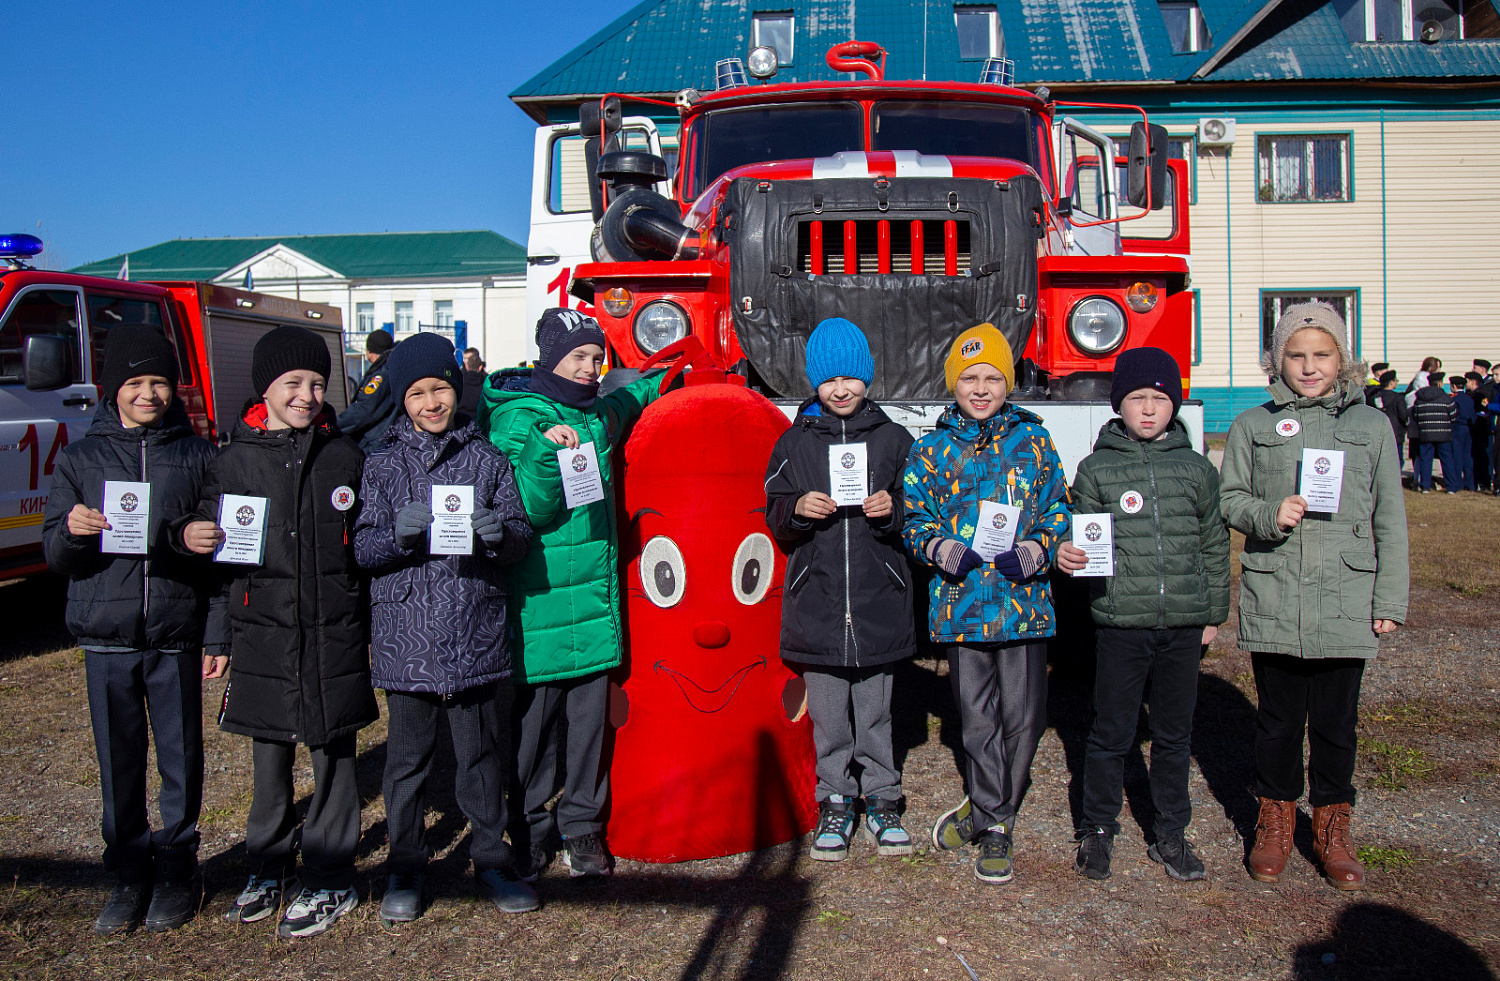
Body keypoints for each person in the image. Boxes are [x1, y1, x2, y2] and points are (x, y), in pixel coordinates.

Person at [181, 325, 377, 937]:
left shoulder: (344, 456)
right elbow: (219, 565)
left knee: (333, 749)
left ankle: (331, 872)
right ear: (265, 389)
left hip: (332, 630)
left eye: (318, 383)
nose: (307, 394)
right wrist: (217, 637)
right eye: (292, 383)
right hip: (262, 632)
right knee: (270, 755)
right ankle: (267, 862)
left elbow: (362, 547)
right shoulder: (233, 462)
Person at [1220, 302, 1408, 892]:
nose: (1308, 366)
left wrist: (1389, 600)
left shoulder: (1372, 427)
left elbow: (1389, 519)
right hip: (1278, 592)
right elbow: (1230, 499)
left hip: (1346, 598)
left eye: (1321, 354)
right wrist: (1268, 515)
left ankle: (1332, 828)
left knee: (1335, 724)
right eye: (1295, 355)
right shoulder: (1254, 424)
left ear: (1341, 359)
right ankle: (1275, 821)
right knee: (1276, 722)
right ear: (1278, 359)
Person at [41, 327, 220, 935]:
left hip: (175, 630)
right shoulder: (79, 458)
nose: (149, 393)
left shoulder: (198, 456)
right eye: (136, 382)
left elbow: (221, 554)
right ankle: (127, 871)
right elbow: (56, 555)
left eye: (160, 382)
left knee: (179, 757)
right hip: (108, 632)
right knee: (118, 760)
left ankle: (176, 867)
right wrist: (70, 531)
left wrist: (216, 631)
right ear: (112, 388)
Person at [354, 332, 538, 922]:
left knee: (481, 756)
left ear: (458, 390)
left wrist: (499, 535)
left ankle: (490, 856)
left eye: (440, 389)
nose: (431, 403)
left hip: (472, 632)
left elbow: (519, 537)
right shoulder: (381, 465)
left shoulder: (486, 459)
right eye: (417, 394)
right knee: (406, 761)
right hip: (407, 639)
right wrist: (396, 535)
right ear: (400, 400)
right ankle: (405, 865)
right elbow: (362, 548)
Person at [479, 308, 665, 880]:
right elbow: (531, 509)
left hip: (593, 607)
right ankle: (531, 827)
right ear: (549, 360)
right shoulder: (520, 420)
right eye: (577, 358)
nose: (589, 369)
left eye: (595, 358)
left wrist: (671, 373)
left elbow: (626, 403)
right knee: (535, 728)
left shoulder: (597, 414)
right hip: (539, 605)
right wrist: (545, 452)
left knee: (587, 727)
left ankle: (581, 825)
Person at [902, 324, 1071, 885]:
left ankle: (988, 810)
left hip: (1023, 603)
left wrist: (1038, 548)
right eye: (969, 378)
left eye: (992, 378)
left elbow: (1058, 510)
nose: (980, 388)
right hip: (963, 604)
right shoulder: (932, 448)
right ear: (954, 384)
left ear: (1009, 382)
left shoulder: (1035, 442)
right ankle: (996, 822)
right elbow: (913, 517)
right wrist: (938, 547)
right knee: (975, 721)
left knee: (1023, 718)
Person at [1055, 347, 1229, 884]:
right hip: (1121, 623)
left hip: (1181, 623)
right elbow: (1077, 530)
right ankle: (1097, 829)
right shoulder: (1097, 468)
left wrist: (1212, 614)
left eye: (1159, 398)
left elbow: (1214, 544)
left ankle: (1172, 832)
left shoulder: (1196, 468)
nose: (1149, 409)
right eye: (1137, 398)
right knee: (1111, 731)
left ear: (1174, 404)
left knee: (1175, 735)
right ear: (1119, 405)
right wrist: (1068, 551)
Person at [763, 318, 917, 862]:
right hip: (819, 603)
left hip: (879, 600)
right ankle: (834, 798)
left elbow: (920, 510)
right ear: (814, 383)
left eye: (851, 377)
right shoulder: (792, 441)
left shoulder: (895, 440)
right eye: (830, 381)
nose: (841, 389)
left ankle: (882, 796)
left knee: (875, 711)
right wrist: (797, 509)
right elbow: (773, 514)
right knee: (828, 714)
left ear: (869, 379)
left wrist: (893, 510)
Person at [338, 328, 398, 454]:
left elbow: (364, 409)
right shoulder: (393, 368)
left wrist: (332, 426)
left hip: (375, 445)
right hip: (384, 442)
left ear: (369, 352)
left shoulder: (381, 375)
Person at [1411, 371, 1459, 493]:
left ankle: (1425, 486)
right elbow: (1453, 416)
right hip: (1444, 434)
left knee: (1426, 460)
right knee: (1447, 460)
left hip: (1425, 433)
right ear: (1440, 383)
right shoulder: (1446, 399)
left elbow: (1415, 415)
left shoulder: (1420, 399)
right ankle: (1451, 487)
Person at [1368, 371, 1408, 468]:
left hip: (1379, 431)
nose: (1397, 382)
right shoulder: (1398, 398)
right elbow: (1403, 415)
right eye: (1396, 380)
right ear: (1391, 383)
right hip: (1396, 431)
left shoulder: (1376, 397)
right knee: (1398, 458)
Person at [1450, 375, 1476, 491]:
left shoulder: (1454, 399)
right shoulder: (1469, 399)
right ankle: (1470, 483)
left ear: (1454, 386)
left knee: (1457, 456)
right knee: (1468, 455)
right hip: (1468, 429)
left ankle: (1458, 483)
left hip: (1457, 428)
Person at [460, 347, 487, 417]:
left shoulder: (486, 380)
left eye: (468, 358)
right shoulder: (459, 377)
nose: (465, 361)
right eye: (464, 359)